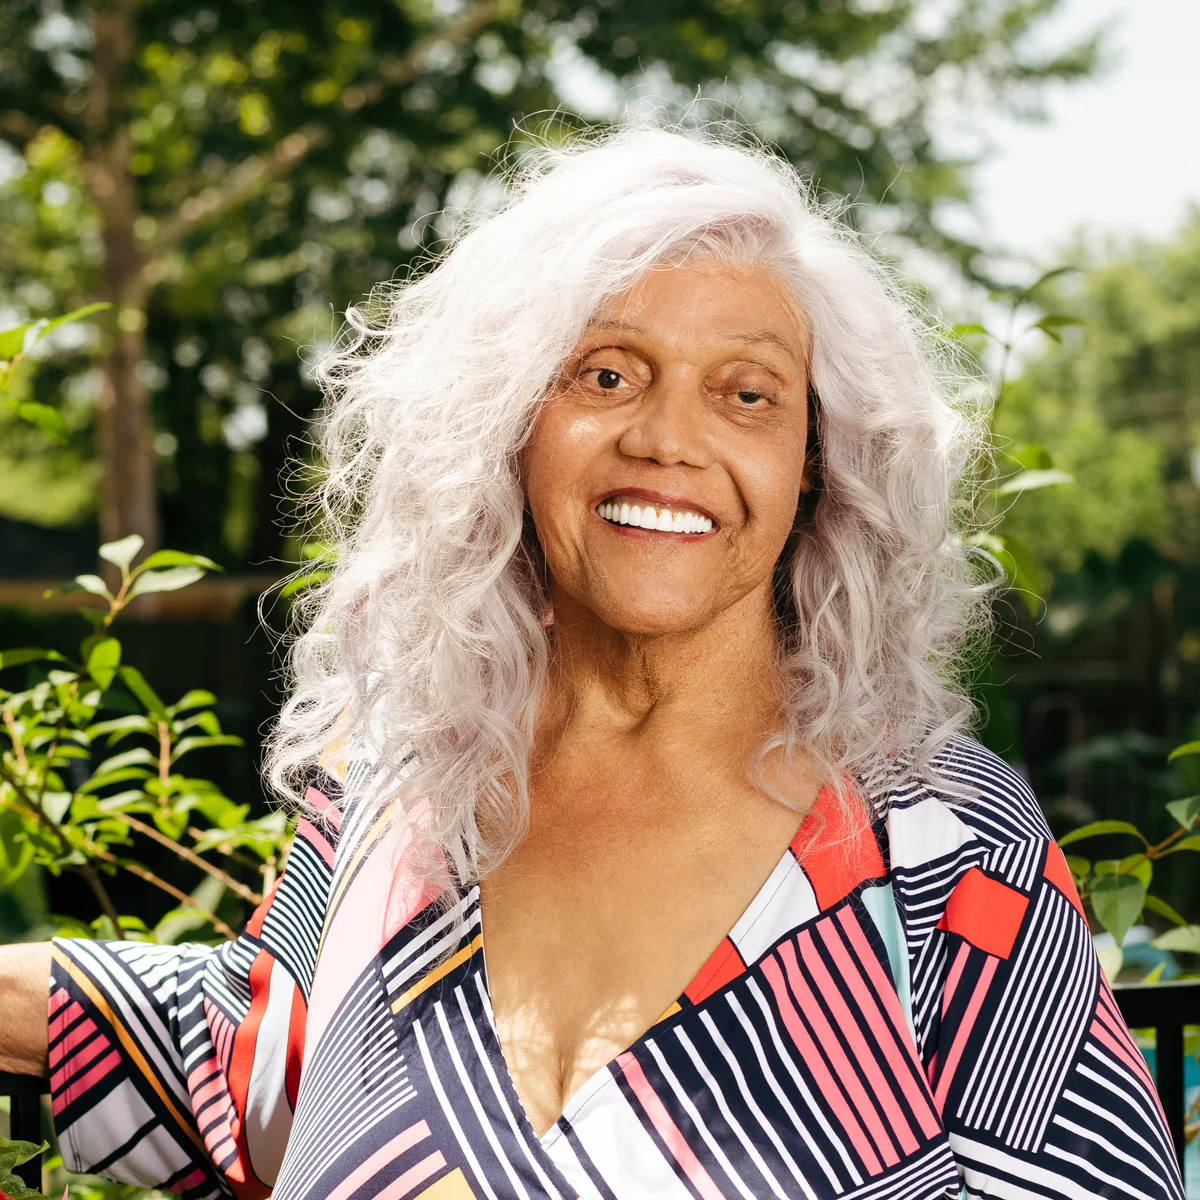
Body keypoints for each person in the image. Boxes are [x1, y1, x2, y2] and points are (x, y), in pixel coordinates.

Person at [0, 128, 1184, 1200]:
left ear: (817, 466)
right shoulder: (392, 785)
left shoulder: (941, 847)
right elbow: (265, 1051)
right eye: (606, 373)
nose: (668, 439)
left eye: (747, 393)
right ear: (507, 426)